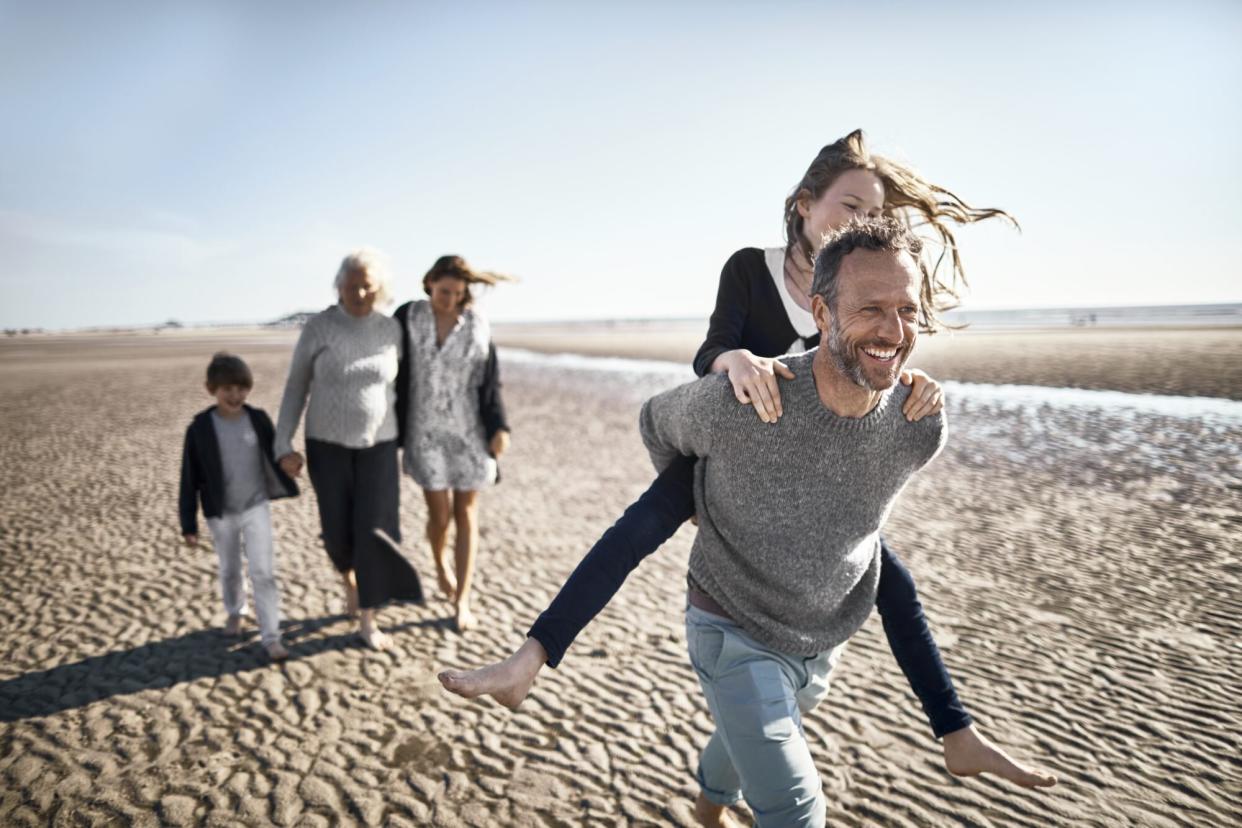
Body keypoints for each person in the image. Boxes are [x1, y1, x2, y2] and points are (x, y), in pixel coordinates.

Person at [439, 131, 1054, 804]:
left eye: (876, 214)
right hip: (735, 422)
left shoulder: (869, 280)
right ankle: (532, 656)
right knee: (639, 527)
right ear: (804, 206)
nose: (864, 223)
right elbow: (713, 349)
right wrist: (728, 381)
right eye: (849, 207)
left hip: (823, 458)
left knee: (879, 567)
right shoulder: (755, 269)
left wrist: (901, 369)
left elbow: (879, 345)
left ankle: (944, 733)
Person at [275, 249, 424, 651]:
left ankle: (367, 619)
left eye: (367, 285)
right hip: (326, 445)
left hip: (380, 445)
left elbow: (410, 388)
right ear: (338, 285)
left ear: (380, 289)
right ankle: (349, 579)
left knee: (373, 533)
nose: (358, 292)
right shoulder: (319, 328)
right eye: (351, 284)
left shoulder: (392, 331)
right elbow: (295, 387)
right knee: (338, 533)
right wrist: (281, 442)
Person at [394, 255, 512, 633]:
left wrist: (500, 426)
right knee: (439, 515)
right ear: (429, 283)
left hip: (469, 432)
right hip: (423, 431)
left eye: (458, 294)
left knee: (467, 513)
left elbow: (489, 380)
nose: (450, 300)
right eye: (444, 292)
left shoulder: (476, 323)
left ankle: (462, 599)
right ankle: (440, 563)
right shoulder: (408, 317)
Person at [179, 352, 297, 661]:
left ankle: (271, 636)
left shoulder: (256, 419)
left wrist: (289, 464)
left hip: (256, 507)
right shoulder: (200, 428)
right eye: (227, 389)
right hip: (221, 512)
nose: (235, 395)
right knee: (230, 568)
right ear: (211, 389)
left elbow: (277, 453)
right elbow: (188, 478)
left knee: (263, 572)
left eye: (241, 388)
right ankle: (236, 611)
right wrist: (188, 524)